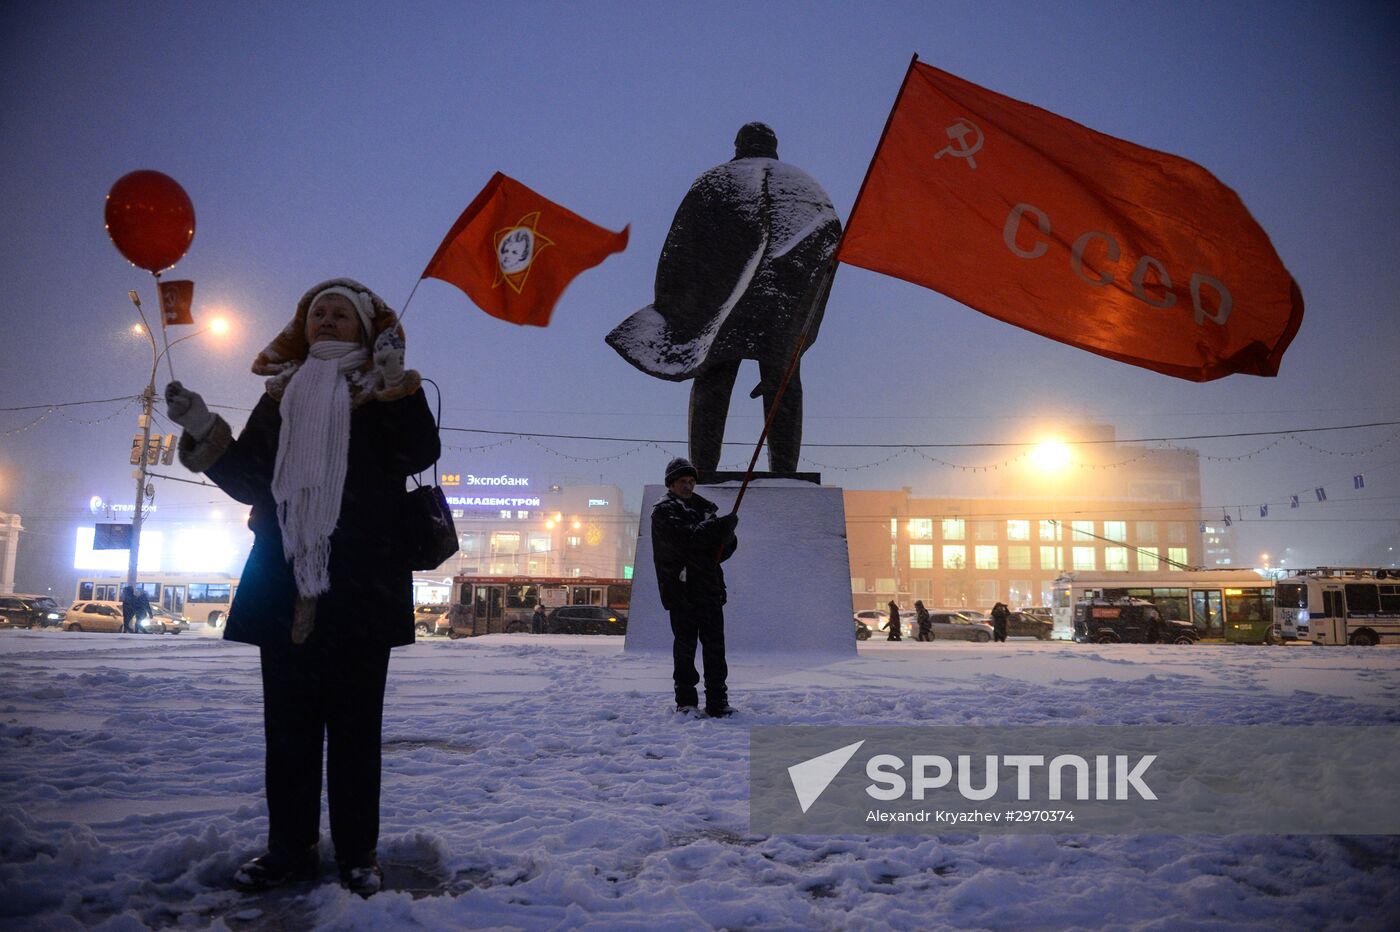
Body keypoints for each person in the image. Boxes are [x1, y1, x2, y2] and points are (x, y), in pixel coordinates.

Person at [164, 278, 439, 898]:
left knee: (356, 732)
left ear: (365, 328)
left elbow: (418, 452)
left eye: (341, 313)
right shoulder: (281, 396)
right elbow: (250, 481)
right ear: (302, 325)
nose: (328, 319)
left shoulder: (383, 390)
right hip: (286, 581)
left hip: (362, 584)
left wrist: (396, 382)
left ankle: (357, 855)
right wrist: (202, 424)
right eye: (319, 312)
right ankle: (289, 849)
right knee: (287, 731)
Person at [651, 457, 738, 717]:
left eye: (691, 481)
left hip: (709, 589)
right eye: (682, 481)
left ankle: (717, 701)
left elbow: (718, 552)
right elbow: (688, 541)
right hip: (682, 592)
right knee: (685, 649)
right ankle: (686, 701)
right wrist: (717, 528)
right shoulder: (664, 512)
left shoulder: (704, 509)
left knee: (715, 649)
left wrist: (728, 538)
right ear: (671, 484)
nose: (688, 486)